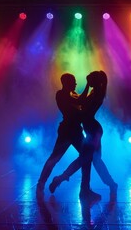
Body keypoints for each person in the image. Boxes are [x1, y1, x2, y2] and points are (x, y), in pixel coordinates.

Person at [49, 70, 118, 199]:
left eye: (90, 80)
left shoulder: (96, 94)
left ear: (95, 82)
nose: (88, 81)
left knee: (88, 159)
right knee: (93, 159)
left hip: (93, 131)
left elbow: (82, 106)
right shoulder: (94, 93)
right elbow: (81, 105)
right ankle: (96, 187)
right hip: (92, 130)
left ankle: (62, 179)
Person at [36, 73, 101, 201]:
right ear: (66, 83)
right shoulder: (61, 94)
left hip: (75, 130)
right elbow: (81, 101)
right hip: (68, 131)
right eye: (73, 81)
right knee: (56, 158)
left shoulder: (72, 95)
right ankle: (42, 183)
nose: (76, 84)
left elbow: (83, 101)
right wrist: (88, 85)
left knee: (85, 158)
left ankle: (85, 189)